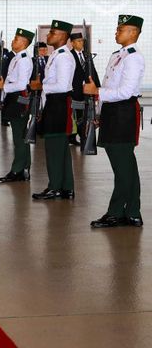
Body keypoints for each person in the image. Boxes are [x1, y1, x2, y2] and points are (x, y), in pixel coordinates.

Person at [86, 15, 145, 228]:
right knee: (126, 166)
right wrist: (100, 113)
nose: (116, 32)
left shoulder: (133, 58)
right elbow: (110, 85)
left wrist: (97, 92)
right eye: (117, 29)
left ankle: (117, 213)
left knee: (123, 166)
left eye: (121, 29)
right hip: (112, 112)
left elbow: (126, 91)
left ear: (133, 32)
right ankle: (132, 213)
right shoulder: (117, 55)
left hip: (123, 113)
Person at [32, 20, 76, 200]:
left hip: (58, 103)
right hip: (53, 103)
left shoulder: (64, 57)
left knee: (54, 148)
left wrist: (41, 86)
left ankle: (55, 187)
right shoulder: (56, 55)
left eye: (52, 33)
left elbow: (62, 86)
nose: (48, 35)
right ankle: (66, 187)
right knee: (60, 148)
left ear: (63, 36)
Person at [0, 28, 34, 182]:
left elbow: (21, 84)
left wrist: (3, 88)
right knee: (20, 137)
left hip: (19, 99)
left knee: (19, 138)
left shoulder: (24, 59)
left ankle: (18, 170)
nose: (13, 41)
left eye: (16, 39)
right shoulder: (16, 58)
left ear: (24, 42)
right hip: (13, 98)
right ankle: (24, 168)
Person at [69, 32, 100, 148]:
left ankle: (83, 137)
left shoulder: (87, 55)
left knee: (86, 115)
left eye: (82, 41)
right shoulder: (69, 55)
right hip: (75, 90)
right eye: (78, 41)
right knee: (75, 115)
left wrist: (97, 86)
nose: (81, 43)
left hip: (87, 91)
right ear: (72, 43)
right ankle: (72, 136)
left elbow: (93, 70)